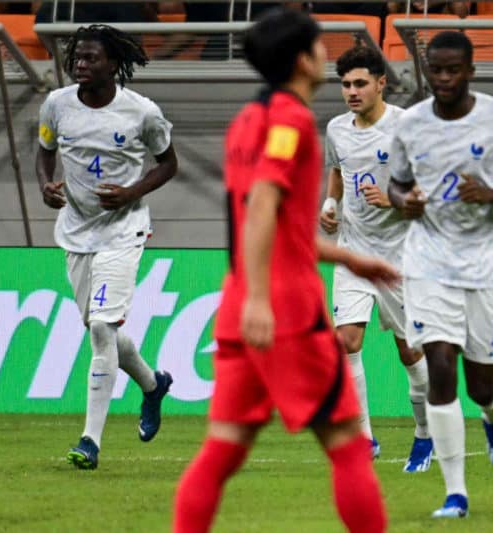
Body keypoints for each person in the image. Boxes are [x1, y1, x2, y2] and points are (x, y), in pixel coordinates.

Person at [173, 9, 393, 532]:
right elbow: (264, 200)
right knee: (348, 449)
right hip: (286, 312)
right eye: (320, 47)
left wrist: (345, 256)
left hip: (240, 309)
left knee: (222, 451)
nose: (326, 55)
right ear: (301, 60)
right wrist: (261, 299)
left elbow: (275, 228)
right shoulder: (291, 120)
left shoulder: (246, 120)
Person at [388, 31, 493, 518]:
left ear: (471, 71)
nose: (445, 78)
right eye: (436, 70)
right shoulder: (411, 125)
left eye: (454, 70)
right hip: (428, 260)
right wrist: (404, 202)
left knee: (479, 383)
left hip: (487, 261)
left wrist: (491, 194)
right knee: (438, 367)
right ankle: (455, 492)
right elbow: (395, 183)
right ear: (427, 71)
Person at [36, 24, 177, 470]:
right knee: (104, 329)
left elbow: (169, 164)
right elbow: (44, 150)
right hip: (76, 232)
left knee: (101, 330)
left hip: (124, 231)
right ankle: (153, 385)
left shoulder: (141, 112)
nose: (80, 64)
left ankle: (89, 441)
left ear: (113, 64)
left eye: (90, 58)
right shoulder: (57, 104)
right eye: (77, 57)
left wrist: (133, 192)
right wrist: (46, 185)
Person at [320, 45, 432, 469]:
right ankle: (364, 438)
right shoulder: (336, 129)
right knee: (346, 341)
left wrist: (393, 200)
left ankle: (424, 434)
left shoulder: (407, 127)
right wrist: (330, 206)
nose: (351, 91)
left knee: (411, 353)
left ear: (381, 83)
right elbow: (338, 170)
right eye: (345, 84)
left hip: (401, 257)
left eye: (360, 83)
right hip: (353, 251)